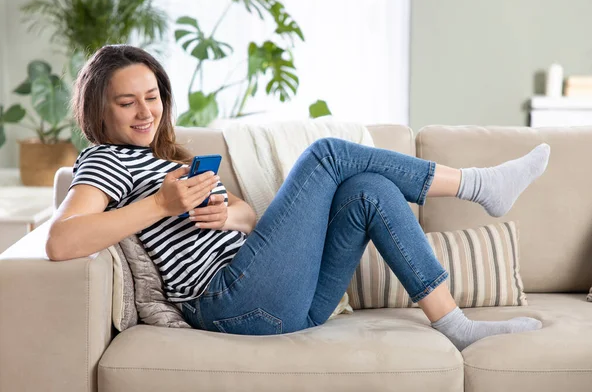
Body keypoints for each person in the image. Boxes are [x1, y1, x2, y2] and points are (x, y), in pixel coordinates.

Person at [47, 45, 548, 351]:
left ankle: (453, 323)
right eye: (126, 101)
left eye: (152, 96)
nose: (144, 112)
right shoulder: (105, 160)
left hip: (282, 302)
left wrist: (228, 215)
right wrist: (160, 205)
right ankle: (478, 184)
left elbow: (247, 214)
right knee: (327, 154)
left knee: (367, 190)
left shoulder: (171, 159)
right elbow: (61, 241)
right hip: (231, 302)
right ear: (100, 108)